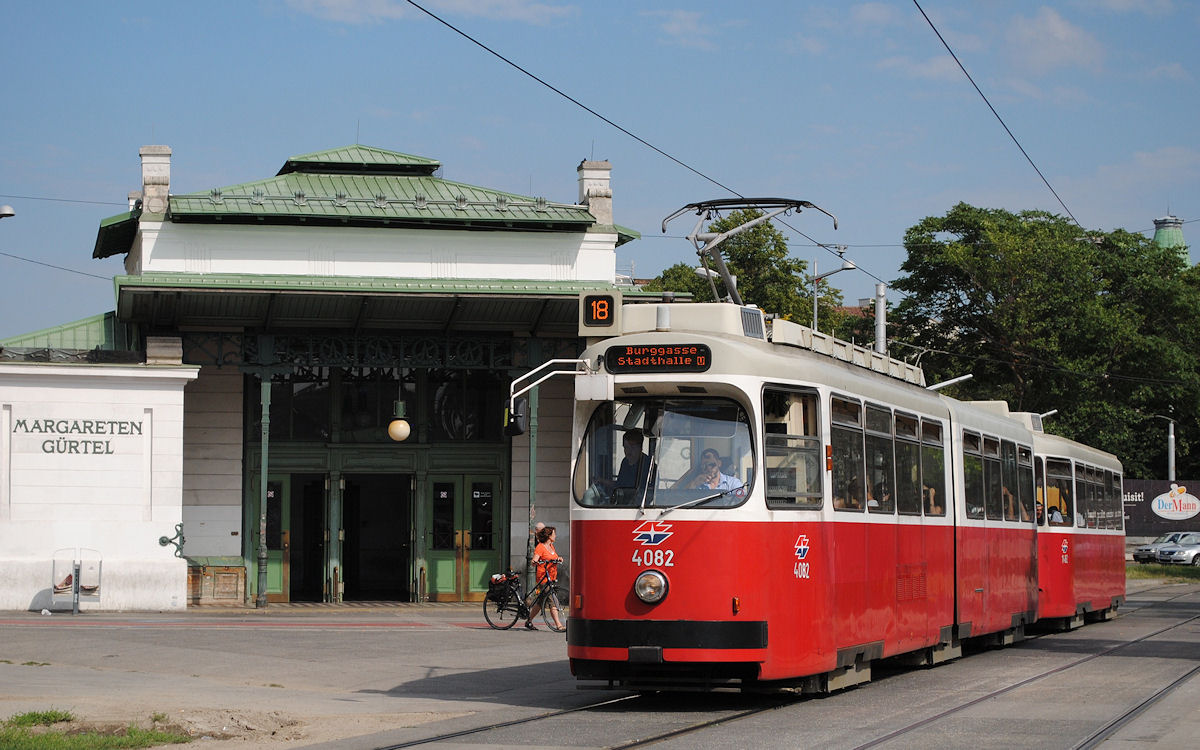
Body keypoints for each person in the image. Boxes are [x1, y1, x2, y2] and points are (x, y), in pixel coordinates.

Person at [526, 525, 563, 631]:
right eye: (554, 534)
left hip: (552, 577)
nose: (556, 536)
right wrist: (535, 561)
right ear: (549, 536)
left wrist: (558, 559)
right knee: (552, 600)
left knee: (540, 602)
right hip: (544, 578)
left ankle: (528, 621)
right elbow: (535, 559)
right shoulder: (540, 547)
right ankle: (558, 625)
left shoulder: (551, 546)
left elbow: (553, 557)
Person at [676, 448, 743, 492]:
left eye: (711, 464)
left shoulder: (733, 483)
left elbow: (740, 501)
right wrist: (694, 483)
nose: (708, 468)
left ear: (719, 463)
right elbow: (681, 498)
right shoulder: (697, 484)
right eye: (704, 465)